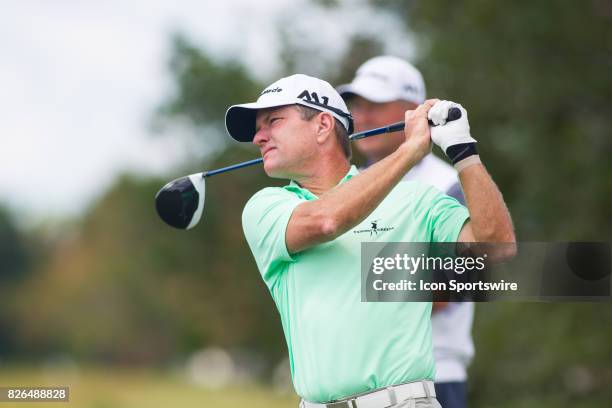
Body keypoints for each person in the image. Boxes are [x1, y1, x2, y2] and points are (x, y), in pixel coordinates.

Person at [225, 73, 515, 408]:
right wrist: (410, 151)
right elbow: (326, 220)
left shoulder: (416, 200)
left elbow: (497, 248)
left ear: (322, 126)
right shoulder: (266, 208)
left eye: (272, 121)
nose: (259, 137)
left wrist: (464, 152)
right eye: (258, 128)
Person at [337, 56, 475, 408]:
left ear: (415, 113)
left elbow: (447, 288)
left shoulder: (449, 184)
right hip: (352, 381)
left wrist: (345, 285)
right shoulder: (344, 187)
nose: (363, 117)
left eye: (376, 106)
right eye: (357, 106)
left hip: (431, 378)